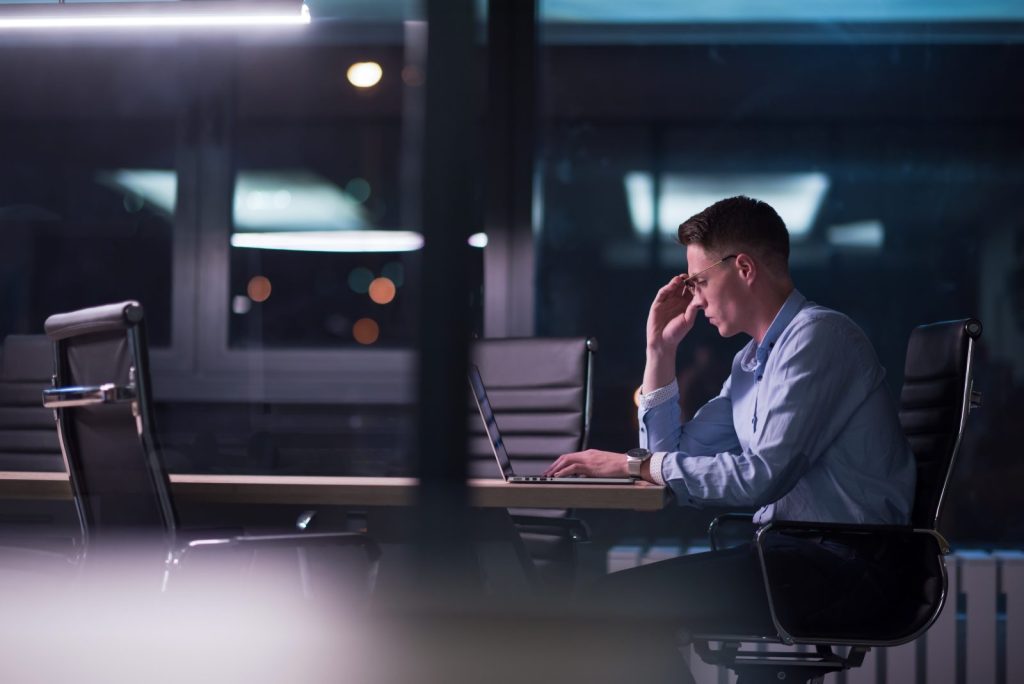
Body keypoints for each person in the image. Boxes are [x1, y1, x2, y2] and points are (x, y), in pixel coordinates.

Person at [543, 196, 916, 678]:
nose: (695, 300)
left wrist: (633, 465)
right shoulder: (751, 363)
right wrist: (660, 351)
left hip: (845, 566)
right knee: (612, 604)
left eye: (698, 282)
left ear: (743, 268)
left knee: (610, 605)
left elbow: (760, 476)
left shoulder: (819, 338)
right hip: (792, 557)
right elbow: (669, 457)